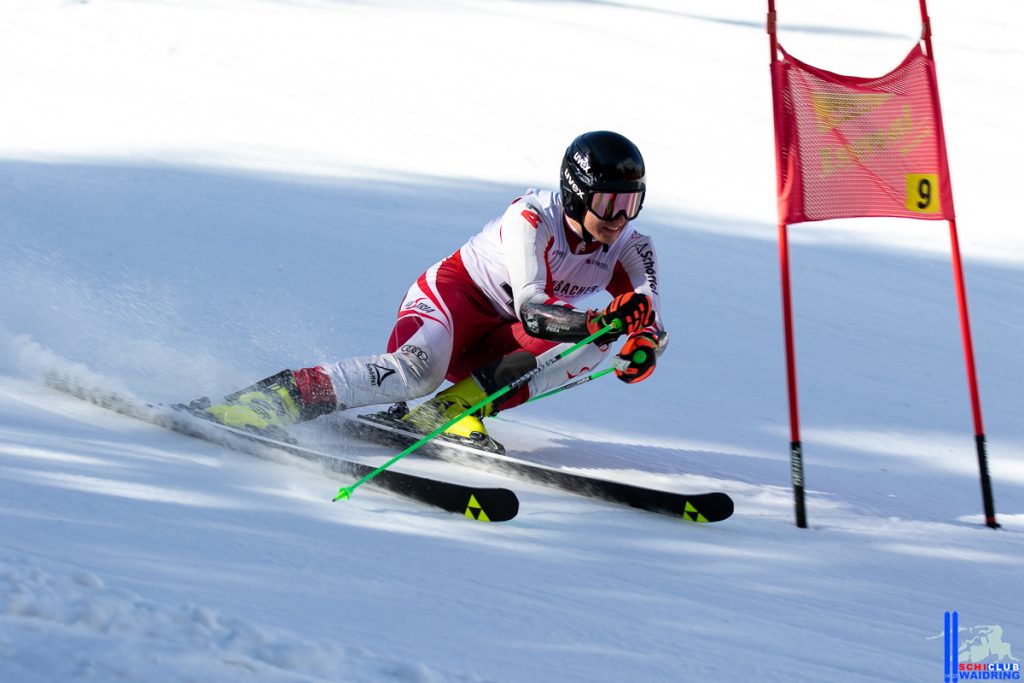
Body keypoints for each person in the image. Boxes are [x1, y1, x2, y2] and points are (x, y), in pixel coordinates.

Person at [199, 131, 668, 451]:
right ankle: (276, 398)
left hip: (496, 346)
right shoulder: (531, 218)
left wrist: (642, 344)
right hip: (453, 303)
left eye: (632, 204)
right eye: (609, 202)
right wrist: (599, 319)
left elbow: (653, 324)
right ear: (576, 193)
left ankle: (454, 410)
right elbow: (532, 311)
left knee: (600, 339)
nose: (619, 218)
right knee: (415, 376)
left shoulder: (633, 247)